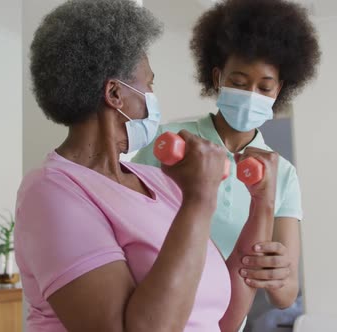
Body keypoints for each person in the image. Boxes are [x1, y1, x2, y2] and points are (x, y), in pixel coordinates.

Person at [14, 0, 279, 331]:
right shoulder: (51, 191)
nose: (154, 95)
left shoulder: (159, 181)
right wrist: (200, 198)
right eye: (149, 84)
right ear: (115, 93)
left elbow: (222, 319)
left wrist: (262, 202)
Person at [132, 0, 321, 330]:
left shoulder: (283, 175)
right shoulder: (168, 141)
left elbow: (285, 297)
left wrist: (277, 274)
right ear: (217, 77)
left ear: (279, 90)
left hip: (223, 322)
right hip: (156, 308)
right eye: (238, 81)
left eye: (264, 87)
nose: (250, 94)